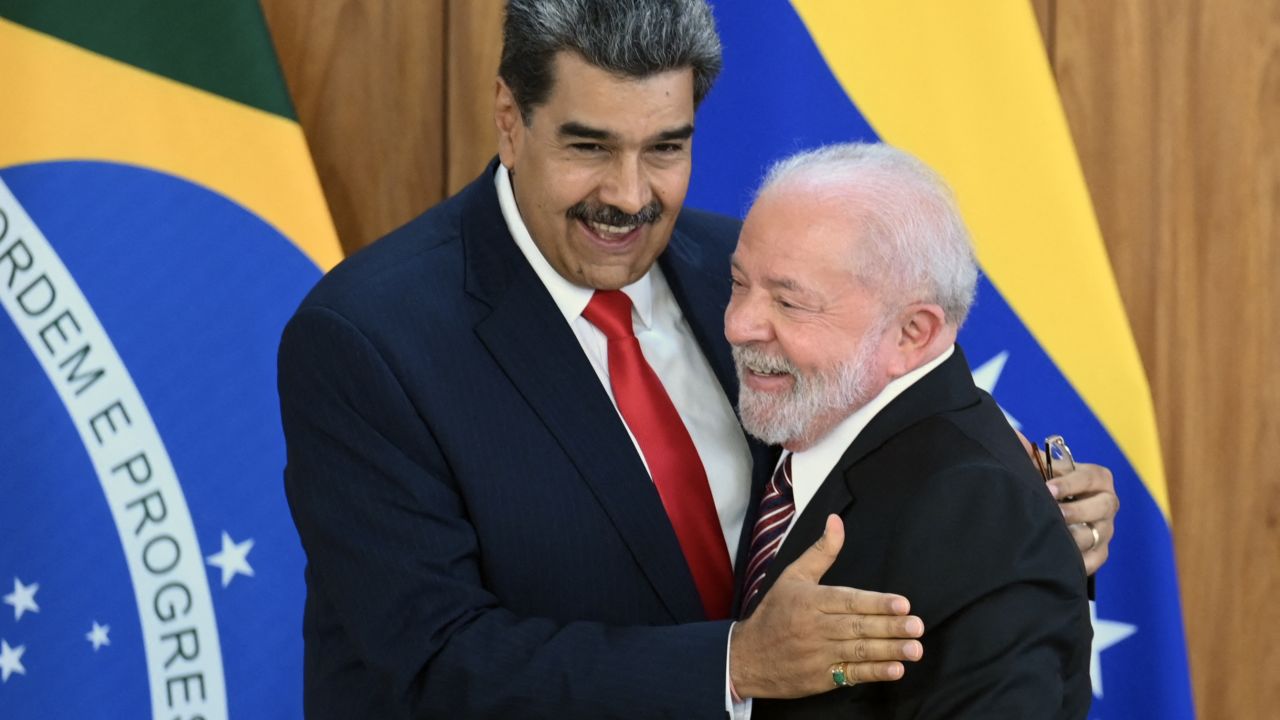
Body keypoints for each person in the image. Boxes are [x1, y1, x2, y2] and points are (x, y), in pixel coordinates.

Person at [276, 1, 1115, 717]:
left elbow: (900, 442)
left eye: (666, 148)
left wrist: (1025, 514)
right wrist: (732, 668)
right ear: (509, 117)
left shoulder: (743, 273)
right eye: (589, 147)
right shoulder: (367, 339)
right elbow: (428, 664)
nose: (631, 197)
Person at [726, 143, 1092, 718]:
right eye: (737, 282)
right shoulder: (804, 409)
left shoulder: (981, 515)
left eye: (789, 303)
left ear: (912, 334)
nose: (738, 323)